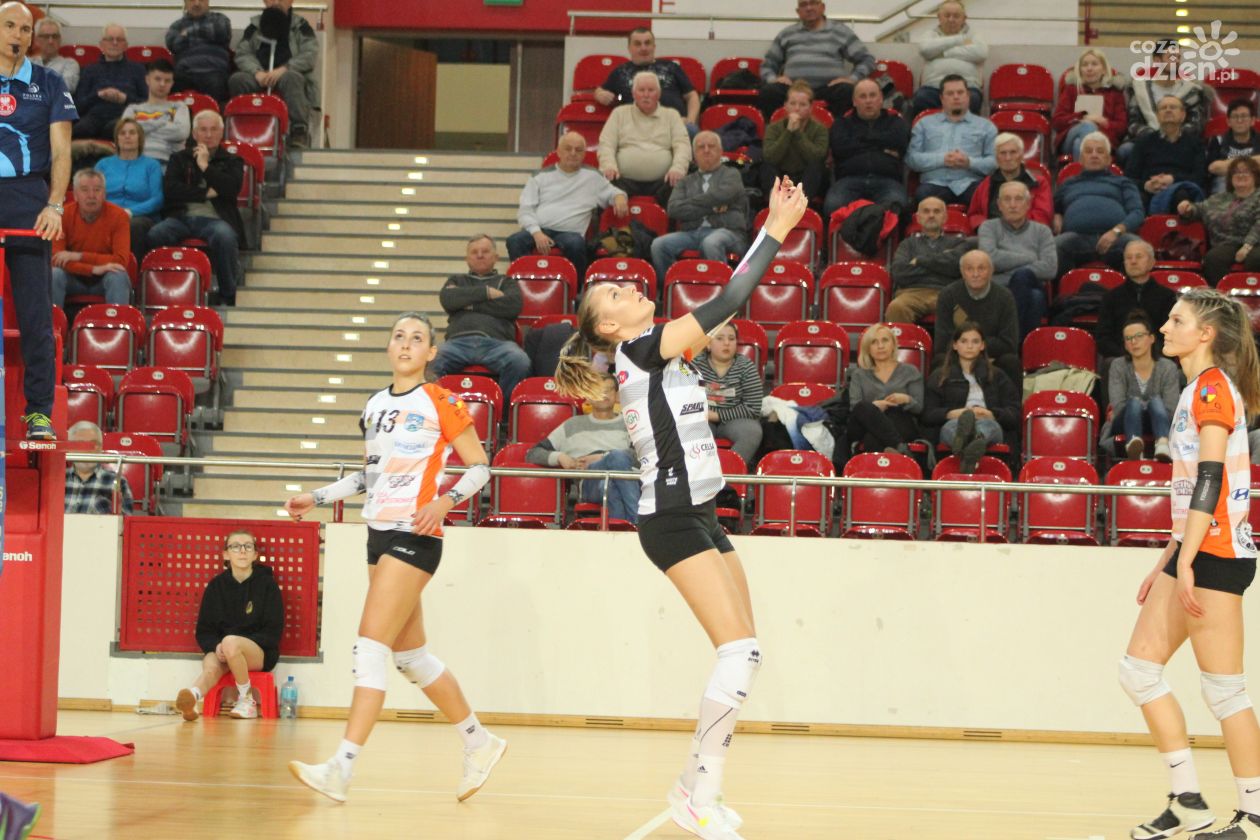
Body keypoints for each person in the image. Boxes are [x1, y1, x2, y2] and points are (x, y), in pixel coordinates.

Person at [553, 177, 809, 840]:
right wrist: (775, 230)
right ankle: (702, 797)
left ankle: (691, 787)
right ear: (609, 327)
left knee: (747, 650)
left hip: (698, 512)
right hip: (669, 518)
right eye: (613, 294)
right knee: (739, 652)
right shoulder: (641, 349)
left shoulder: (662, 352)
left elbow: (716, 321)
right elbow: (729, 299)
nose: (627, 285)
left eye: (623, 283)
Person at [284, 312, 504, 803]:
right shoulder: (375, 404)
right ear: (388, 347)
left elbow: (480, 467)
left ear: (431, 353)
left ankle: (340, 769)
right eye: (399, 336)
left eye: (417, 338)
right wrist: (316, 496)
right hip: (378, 534)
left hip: (416, 534)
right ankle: (480, 742)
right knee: (410, 658)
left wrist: (445, 502)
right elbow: (369, 476)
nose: (406, 344)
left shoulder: (441, 400)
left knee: (369, 649)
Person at [1119, 288, 1260, 840]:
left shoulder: (1212, 390)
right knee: (1138, 672)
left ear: (1206, 334)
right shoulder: (1194, 388)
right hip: (1195, 548)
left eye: (1176, 320)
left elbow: (1211, 478)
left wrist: (1191, 557)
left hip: (1217, 554)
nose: (1163, 328)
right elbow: (1191, 489)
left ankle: (1253, 815)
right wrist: (1170, 556)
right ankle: (1187, 802)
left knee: (1224, 691)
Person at [0, 1, 76, 440]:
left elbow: (62, 152)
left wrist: (55, 205)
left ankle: (39, 413)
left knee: (35, 314)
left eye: (25, 29)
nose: (17, 35)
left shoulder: (49, 83)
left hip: (29, 197)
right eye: (9, 26)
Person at [175, 529, 284, 721]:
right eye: (235, 547)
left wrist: (232, 644)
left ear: (255, 555)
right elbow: (204, 631)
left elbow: (273, 632)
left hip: (259, 652)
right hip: (224, 650)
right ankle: (193, 697)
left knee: (231, 643)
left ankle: (247, 700)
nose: (242, 551)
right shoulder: (216, 586)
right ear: (226, 554)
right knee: (211, 666)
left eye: (248, 546)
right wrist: (216, 646)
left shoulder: (268, 585)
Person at [147, 109, 244, 306]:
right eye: (203, 129)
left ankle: (228, 295)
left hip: (215, 219)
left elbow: (231, 188)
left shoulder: (232, 160)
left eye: (213, 129)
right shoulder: (179, 158)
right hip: (180, 217)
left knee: (225, 236)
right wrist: (204, 193)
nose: (208, 134)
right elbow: (171, 190)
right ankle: (161, 291)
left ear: (221, 132)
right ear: (194, 133)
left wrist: (205, 166)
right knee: (156, 234)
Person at [507, 131, 627, 278]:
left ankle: (577, 288)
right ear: (558, 151)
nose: (573, 153)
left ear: (584, 154)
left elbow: (615, 193)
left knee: (576, 245)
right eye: (568, 148)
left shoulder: (593, 177)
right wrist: (536, 233)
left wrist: (620, 197)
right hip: (540, 230)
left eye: (578, 150)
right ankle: (523, 284)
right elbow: (525, 210)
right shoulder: (539, 177)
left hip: (571, 233)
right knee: (514, 241)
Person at [526, 373, 640, 524]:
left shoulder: (630, 423)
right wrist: (560, 457)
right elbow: (533, 453)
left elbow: (641, 456)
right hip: (590, 482)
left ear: (617, 395)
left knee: (610, 484)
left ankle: (622, 530)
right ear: (588, 396)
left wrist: (604, 457)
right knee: (616, 459)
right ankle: (639, 524)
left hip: (623, 479)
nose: (604, 394)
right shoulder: (572, 425)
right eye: (597, 390)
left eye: (608, 390)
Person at [429, 234, 532, 402]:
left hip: (497, 344)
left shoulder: (506, 282)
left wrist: (469, 303)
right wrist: (486, 292)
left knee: (520, 361)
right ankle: (440, 410)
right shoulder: (457, 280)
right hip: (457, 344)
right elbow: (448, 299)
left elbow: (512, 306)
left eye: (485, 251)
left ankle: (503, 412)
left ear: (496, 257)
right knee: (431, 360)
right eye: (474, 252)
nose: (479, 255)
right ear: (467, 258)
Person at [650, 131, 749, 284]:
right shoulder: (685, 182)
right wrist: (712, 207)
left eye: (711, 146)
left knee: (711, 242)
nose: (706, 150)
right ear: (694, 154)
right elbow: (674, 209)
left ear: (720, 151)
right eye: (701, 147)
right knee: (659, 245)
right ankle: (675, 289)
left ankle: (723, 293)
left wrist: (690, 203)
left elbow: (723, 195)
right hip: (692, 232)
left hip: (729, 232)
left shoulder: (732, 174)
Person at [922, 321, 1020, 474]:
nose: (969, 346)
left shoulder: (998, 375)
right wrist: (952, 413)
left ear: (982, 345)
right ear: (955, 345)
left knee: (990, 427)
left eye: (975, 342)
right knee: (951, 428)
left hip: (987, 421)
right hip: (954, 422)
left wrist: (992, 414)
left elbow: (1014, 412)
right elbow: (928, 413)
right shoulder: (940, 376)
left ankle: (972, 441)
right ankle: (972, 445)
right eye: (964, 341)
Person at [756, 0, 875, 120]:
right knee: (769, 91)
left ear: (822, 7)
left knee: (848, 90)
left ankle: (837, 130)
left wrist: (852, 79)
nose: (809, 8)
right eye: (804, 5)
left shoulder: (841, 31)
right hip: (793, 89)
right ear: (798, 11)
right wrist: (774, 79)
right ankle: (779, 130)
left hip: (829, 89)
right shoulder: (786, 34)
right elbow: (767, 64)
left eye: (813, 3)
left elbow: (867, 60)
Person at [230, 0, 319, 148]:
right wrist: (257, 72)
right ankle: (242, 128)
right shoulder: (254, 27)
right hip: (259, 76)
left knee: (292, 78)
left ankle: (299, 131)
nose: (276, 2)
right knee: (237, 79)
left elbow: (309, 54)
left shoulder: (301, 26)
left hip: (287, 74)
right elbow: (242, 53)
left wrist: (285, 68)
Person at [1053, 131, 1145, 274]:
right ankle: (1062, 288)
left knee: (1139, 249)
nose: (1094, 155)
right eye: (1089, 151)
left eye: (1100, 151)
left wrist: (1116, 232)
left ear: (1108, 159)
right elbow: (1054, 207)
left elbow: (1137, 213)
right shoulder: (1068, 183)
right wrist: (1056, 214)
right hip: (1077, 238)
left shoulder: (1123, 182)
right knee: (1054, 247)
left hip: (1117, 238)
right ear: (1081, 159)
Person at [597, 71, 691, 207]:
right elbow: (606, 144)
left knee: (680, 186)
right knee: (605, 184)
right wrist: (609, 166)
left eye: (651, 90)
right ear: (634, 94)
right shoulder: (619, 113)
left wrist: (678, 168)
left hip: (664, 182)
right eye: (641, 90)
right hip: (622, 180)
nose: (646, 94)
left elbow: (682, 146)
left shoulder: (672, 115)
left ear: (659, 94)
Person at [977, 180, 1056, 340]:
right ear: (999, 205)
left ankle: (1008, 340)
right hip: (997, 289)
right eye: (1007, 199)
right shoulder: (988, 227)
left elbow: (1049, 268)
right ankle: (1021, 347)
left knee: (1023, 276)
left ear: (1028, 204)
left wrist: (1009, 268)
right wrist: (1030, 258)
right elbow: (989, 259)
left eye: (1018, 199)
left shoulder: (1042, 231)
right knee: (1034, 297)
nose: (1013, 205)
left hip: (1026, 282)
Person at [822, 77, 909, 218]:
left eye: (872, 95)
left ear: (881, 99)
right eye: (862, 96)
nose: (868, 101)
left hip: (887, 181)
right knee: (833, 206)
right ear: (854, 101)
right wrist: (881, 146)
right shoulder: (841, 124)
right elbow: (840, 148)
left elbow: (899, 142)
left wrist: (857, 143)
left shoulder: (896, 122)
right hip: (849, 180)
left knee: (897, 207)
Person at [905, 74, 996, 207]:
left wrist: (969, 162)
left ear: (968, 96)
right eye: (950, 93)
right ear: (942, 98)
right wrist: (942, 159)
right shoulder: (924, 124)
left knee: (987, 198)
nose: (956, 97)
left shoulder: (986, 126)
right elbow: (911, 159)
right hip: (934, 185)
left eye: (960, 92)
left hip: (971, 184)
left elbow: (994, 163)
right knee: (922, 196)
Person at [933, 250, 1022, 385]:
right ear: (962, 272)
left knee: (1011, 361)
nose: (975, 274)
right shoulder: (948, 295)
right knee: (939, 361)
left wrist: (973, 346)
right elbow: (942, 341)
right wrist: (968, 350)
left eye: (981, 268)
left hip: (992, 357)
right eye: (969, 269)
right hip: (957, 357)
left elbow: (1009, 343)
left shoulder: (1005, 297)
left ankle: (1010, 400)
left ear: (991, 271)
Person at [1101, 314, 1179, 461]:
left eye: (1139, 336)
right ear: (1125, 345)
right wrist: (1141, 405)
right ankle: (1134, 445)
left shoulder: (1168, 367)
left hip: (1161, 419)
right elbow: (1118, 406)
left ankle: (1162, 445)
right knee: (1134, 403)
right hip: (1125, 419)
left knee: (1156, 401)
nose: (1134, 342)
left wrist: (1149, 405)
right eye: (1128, 338)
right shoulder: (1118, 366)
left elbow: (1171, 409)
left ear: (1151, 338)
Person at [593, 27, 699, 134]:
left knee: (691, 130)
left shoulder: (671, 67)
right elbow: (600, 90)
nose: (643, 48)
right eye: (638, 44)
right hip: (635, 128)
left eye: (647, 43)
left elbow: (691, 96)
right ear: (629, 48)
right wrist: (599, 94)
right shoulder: (621, 72)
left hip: (673, 125)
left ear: (654, 46)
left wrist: (690, 121)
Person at [50, 169, 131, 307]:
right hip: (72, 277)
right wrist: (92, 269)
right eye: (85, 190)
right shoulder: (63, 216)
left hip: (105, 278)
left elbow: (121, 261)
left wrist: (78, 256)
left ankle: (118, 320)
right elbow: (56, 259)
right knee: (54, 274)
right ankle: (52, 321)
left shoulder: (119, 216)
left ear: (104, 194)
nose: (91, 195)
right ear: (75, 195)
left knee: (118, 275)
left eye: (97, 190)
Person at [1177, 156, 1260, 285]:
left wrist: (1247, 246)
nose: (1241, 175)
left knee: (1255, 258)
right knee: (1213, 259)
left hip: (1256, 243)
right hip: (1228, 243)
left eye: (1246, 172)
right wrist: (1187, 209)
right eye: (1236, 172)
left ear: (1256, 176)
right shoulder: (1219, 198)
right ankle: (1223, 294)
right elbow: (1200, 209)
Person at [691, 322, 764, 466]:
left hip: (735, 421)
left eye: (731, 339)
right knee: (691, 430)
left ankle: (730, 471)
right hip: (701, 417)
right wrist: (701, 413)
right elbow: (683, 397)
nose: (726, 343)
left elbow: (753, 408)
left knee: (753, 432)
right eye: (720, 338)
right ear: (708, 344)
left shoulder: (746, 366)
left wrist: (716, 415)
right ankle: (701, 472)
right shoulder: (694, 365)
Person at [885, 196, 967, 324]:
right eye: (926, 211)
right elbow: (899, 272)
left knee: (966, 310)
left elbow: (957, 269)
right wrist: (941, 263)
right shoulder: (907, 244)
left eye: (936, 211)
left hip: (948, 293)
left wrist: (920, 261)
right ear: (918, 218)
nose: (931, 215)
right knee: (896, 307)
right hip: (912, 293)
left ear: (945, 217)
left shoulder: (958, 243)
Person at [1124, 40, 1212, 158]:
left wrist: (1173, 136)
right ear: (1157, 61)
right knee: (1125, 150)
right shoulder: (1139, 89)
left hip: (1181, 142)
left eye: (1178, 57)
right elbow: (1133, 123)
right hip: (1145, 142)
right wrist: (1155, 137)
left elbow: (1195, 124)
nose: (1176, 61)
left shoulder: (1191, 91)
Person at [845, 323, 923, 455]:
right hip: (865, 424)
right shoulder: (859, 374)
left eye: (885, 340)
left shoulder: (910, 371)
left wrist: (906, 399)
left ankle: (895, 451)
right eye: (874, 342)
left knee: (873, 439)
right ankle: (900, 448)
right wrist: (874, 407)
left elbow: (919, 408)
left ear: (893, 344)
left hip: (900, 422)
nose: (880, 346)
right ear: (868, 348)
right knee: (864, 407)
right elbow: (855, 407)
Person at [96, 117, 164, 267]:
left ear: (140, 139)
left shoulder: (152, 165)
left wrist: (130, 212)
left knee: (133, 226)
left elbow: (157, 199)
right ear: (117, 139)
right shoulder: (103, 165)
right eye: (122, 133)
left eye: (132, 133)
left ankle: (132, 271)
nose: (127, 136)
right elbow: (94, 195)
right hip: (107, 214)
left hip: (140, 217)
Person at [1096, 240, 1178, 363]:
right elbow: (1103, 338)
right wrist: (1128, 356)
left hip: (1157, 360)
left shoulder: (1167, 297)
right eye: (1128, 258)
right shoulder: (1111, 297)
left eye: (1139, 257)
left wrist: (1148, 357)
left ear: (1152, 262)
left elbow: (1170, 335)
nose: (1133, 261)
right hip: (1120, 359)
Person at [1125, 95, 1207, 214]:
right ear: (1157, 116)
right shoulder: (1143, 141)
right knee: (1136, 199)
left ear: (1183, 115)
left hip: (1181, 188)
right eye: (1163, 108)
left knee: (1183, 197)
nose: (1168, 110)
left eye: (1173, 107)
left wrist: (1173, 179)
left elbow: (1200, 176)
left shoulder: (1195, 143)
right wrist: (1146, 185)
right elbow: (1129, 177)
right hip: (1149, 189)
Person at [909, 0, 985, 118]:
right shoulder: (930, 35)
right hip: (933, 88)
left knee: (973, 99)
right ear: (939, 17)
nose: (951, 19)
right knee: (921, 98)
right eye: (947, 15)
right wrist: (960, 39)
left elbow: (981, 53)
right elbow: (925, 50)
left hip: (966, 88)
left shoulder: (974, 35)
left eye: (956, 16)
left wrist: (942, 52)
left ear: (964, 18)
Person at [71, 24, 147, 141]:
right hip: (93, 117)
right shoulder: (90, 70)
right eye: (110, 39)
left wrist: (124, 98)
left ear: (126, 45)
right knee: (78, 131)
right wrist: (98, 95)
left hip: (123, 116)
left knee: (116, 129)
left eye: (119, 40)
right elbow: (78, 106)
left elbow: (148, 104)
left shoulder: (138, 70)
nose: (115, 43)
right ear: (101, 45)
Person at [1051, 47, 1128, 161]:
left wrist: (1103, 122)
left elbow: (1122, 127)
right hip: (1070, 138)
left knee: (1079, 144)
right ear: (1080, 70)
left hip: (1105, 140)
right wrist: (1082, 117)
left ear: (1104, 69)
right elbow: (1057, 122)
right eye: (1085, 65)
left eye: (1094, 64)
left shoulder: (1114, 93)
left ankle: (1084, 172)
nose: (1089, 68)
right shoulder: (1071, 90)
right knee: (1087, 127)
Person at [966, 131, 1053, 231]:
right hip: (993, 234)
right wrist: (986, 228)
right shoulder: (986, 184)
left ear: (1021, 155)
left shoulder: (1039, 183)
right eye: (1003, 153)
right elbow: (974, 214)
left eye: (1013, 152)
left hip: (1027, 234)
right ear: (996, 157)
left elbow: (1042, 216)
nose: (1008, 158)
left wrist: (1016, 228)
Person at [761, 80, 828, 205]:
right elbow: (770, 157)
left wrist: (797, 132)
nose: (797, 108)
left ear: (810, 107)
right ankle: (775, 202)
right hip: (782, 175)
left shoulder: (820, 129)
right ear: (785, 105)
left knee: (816, 167)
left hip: (806, 178)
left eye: (802, 104)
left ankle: (798, 204)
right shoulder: (773, 128)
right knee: (766, 165)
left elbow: (816, 157)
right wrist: (788, 132)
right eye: (792, 103)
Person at [122, 59, 191, 166]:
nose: (162, 84)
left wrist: (141, 129)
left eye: (167, 81)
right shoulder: (133, 109)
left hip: (168, 165)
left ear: (172, 83)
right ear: (147, 80)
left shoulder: (179, 107)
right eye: (158, 79)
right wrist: (162, 122)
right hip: (137, 163)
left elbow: (180, 133)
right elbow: (126, 133)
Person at [165, 0, 233, 105]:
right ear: (185, 3)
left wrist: (187, 33)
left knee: (217, 85)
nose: (196, 3)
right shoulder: (177, 25)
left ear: (208, 2)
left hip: (213, 71)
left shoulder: (220, 19)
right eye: (192, 0)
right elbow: (172, 44)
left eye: (201, 0)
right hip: (184, 73)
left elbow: (220, 31)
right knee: (166, 82)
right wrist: (205, 33)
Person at [64, 420, 135, 515]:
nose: (88, 449)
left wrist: (102, 506)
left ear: (101, 447)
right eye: (81, 443)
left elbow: (125, 521)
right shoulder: (56, 480)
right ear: (69, 448)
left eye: (94, 443)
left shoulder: (117, 482)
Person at [1207, 99, 1260, 196]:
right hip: (1225, 182)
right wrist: (1253, 163)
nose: (1239, 120)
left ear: (1252, 120)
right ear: (1228, 121)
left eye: (1244, 116)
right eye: (1235, 117)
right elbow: (1213, 168)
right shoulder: (1218, 140)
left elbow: (1221, 166)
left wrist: (1228, 164)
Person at [28, 17, 78, 93]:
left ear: (60, 39)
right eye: (46, 37)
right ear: (36, 40)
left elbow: (65, 88)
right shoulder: (28, 63)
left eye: (55, 36)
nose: (50, 41)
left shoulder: (69, 64)